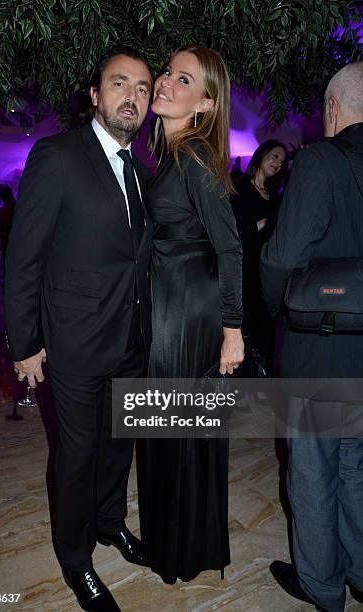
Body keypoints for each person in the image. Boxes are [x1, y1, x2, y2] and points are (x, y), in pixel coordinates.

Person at [4, 46, 153, 612]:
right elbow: (24, 259)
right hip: (73, 343)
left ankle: (110, 523)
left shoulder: (141, 171)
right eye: (120, 84)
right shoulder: (58, 155)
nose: (131, 98)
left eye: (141, 88)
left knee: (118, 449)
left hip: (130, 341)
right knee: (78, 454)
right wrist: (25, 344)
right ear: (95, 94)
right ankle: (74, 558)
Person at [137, 45, 244, 584]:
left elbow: (229, 246)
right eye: (168, 72)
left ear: (204, 103)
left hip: (190, 312)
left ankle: (180, 547)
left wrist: (233, 328)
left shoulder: (195, 156)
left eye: (184, 80)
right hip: (174, 306)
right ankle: (182, 543)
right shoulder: (175, 153)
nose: (164, 83)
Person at [260, 62, 363, 612]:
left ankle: (323, 586)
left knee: (315, 472)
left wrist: (278, 311)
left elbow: (281, 257)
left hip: (321, 348)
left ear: (331, 109)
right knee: (359, 468)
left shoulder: (320, 160)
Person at [231, 140, 288, 369]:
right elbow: (236, 233)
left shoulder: (276, 198)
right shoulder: (239, 188)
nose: (278, 163)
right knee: (243, 334)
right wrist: (271, 220)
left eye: (282, 161)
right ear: (261, 155)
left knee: (264, 335)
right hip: (243, 271)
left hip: (265, 273)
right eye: (275, 156)